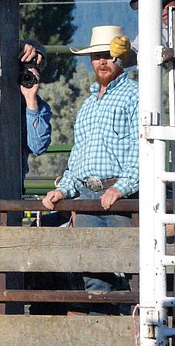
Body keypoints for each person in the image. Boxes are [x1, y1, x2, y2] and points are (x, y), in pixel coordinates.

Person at [41, 25, 139, 313]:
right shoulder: (87, 105)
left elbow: (140, 148)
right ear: (91, 60)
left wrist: (121, 187)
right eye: (97, 56)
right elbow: (78, 159)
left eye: (108, 55)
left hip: (123, 198)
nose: (102, 61)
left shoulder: (134, 96)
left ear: (120, 59)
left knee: (129, 272)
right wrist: (63, 189)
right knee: (94, 277)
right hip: (87, 196)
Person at [19, 40, 53, 178]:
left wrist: (30, 100)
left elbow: (38, 147)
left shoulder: (38, 107)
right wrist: (19, 46)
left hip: (12, 183)